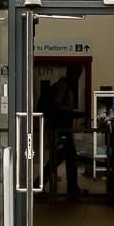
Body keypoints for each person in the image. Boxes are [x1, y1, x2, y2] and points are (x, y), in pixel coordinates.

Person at [41, 69, 81, 197]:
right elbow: (56, 104)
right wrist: (71, 113)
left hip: (60, 127)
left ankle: (72, 187)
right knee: (63, 157)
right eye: (77, 75)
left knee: (63, 157)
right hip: (60, 127)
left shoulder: (62, 86)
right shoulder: (63, 86)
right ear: (72, 74)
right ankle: (38, 184)